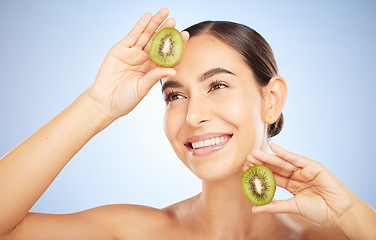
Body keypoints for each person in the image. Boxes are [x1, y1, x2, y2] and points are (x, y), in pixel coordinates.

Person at [0, 7, 375, 240]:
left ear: (271, 99)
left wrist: (351, 215)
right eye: (175, 96)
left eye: (218, 85)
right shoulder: (134, 233)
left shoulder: (337, 235)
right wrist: (97, 105)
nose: (193, 115)